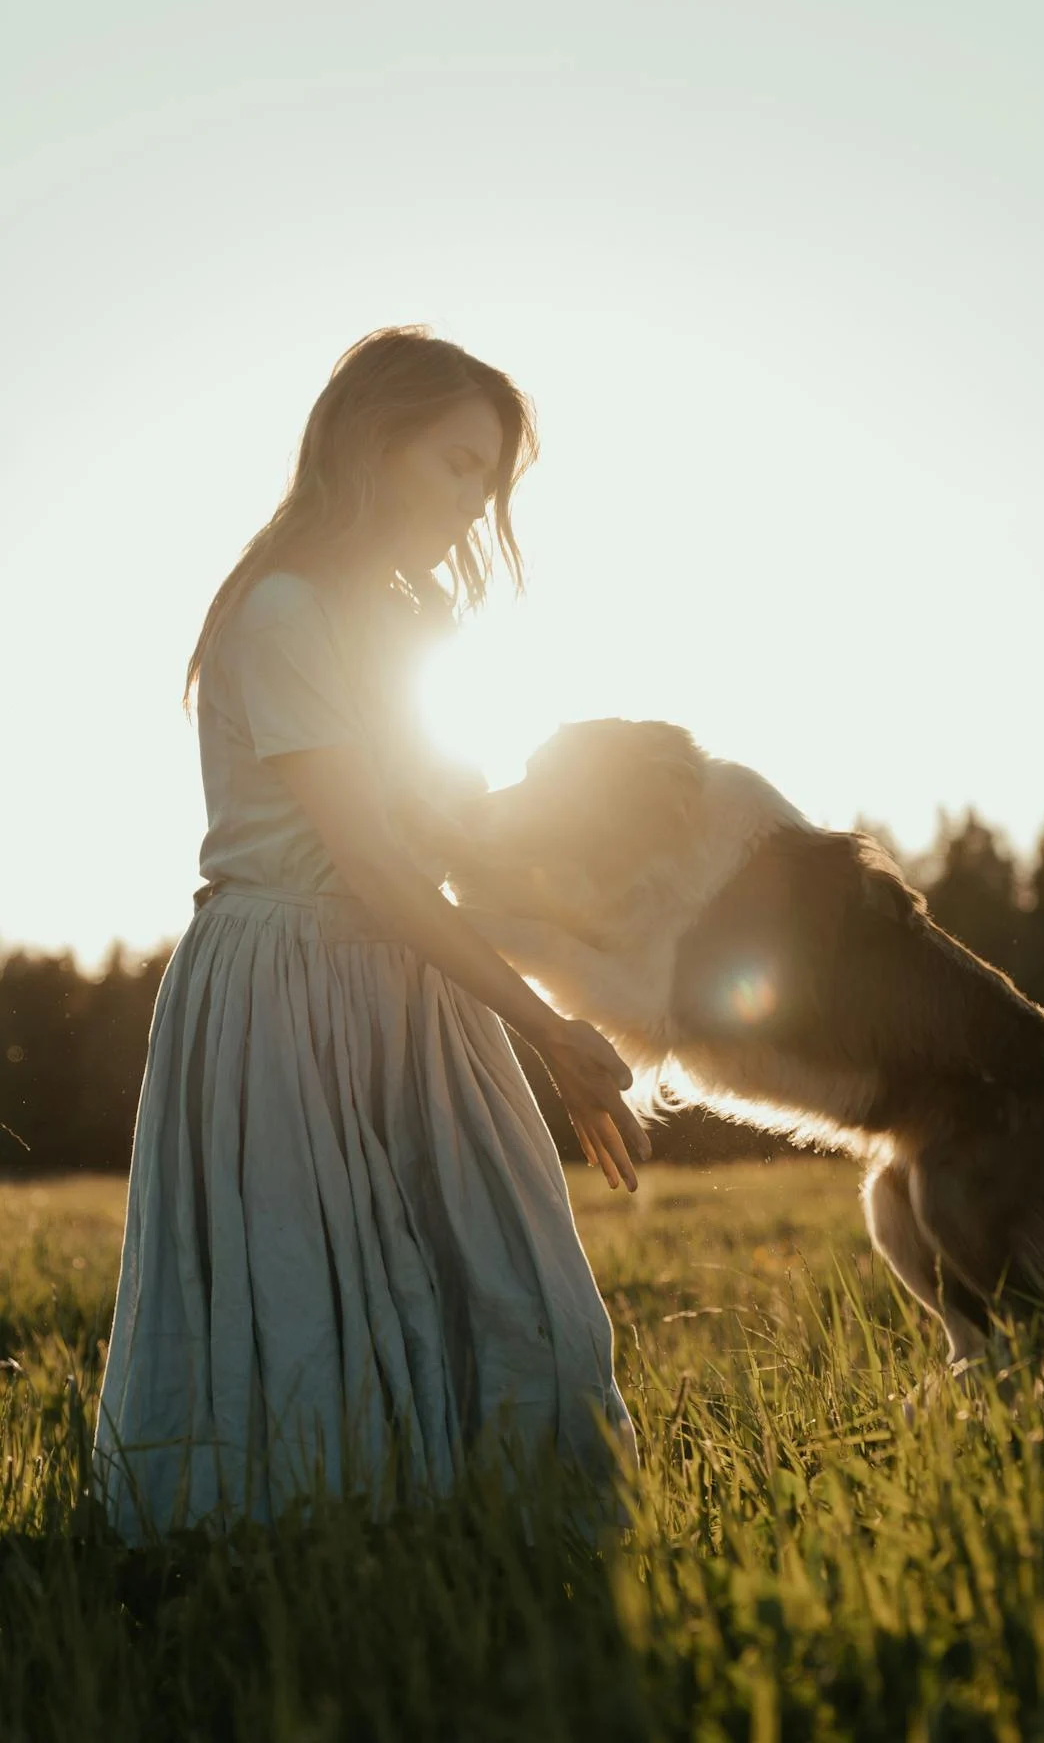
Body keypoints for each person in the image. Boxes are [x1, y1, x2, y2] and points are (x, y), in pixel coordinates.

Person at [92, 326, 651, 1542]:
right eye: (457, 467)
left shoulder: (402, 626)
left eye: (489, 482)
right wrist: (547, 1026)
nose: (473, 505)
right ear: (373, 445)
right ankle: (299, 1578)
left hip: (413, 986)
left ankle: (496, 1546)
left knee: (518, 1287)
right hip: (288, 989)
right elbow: (378, 867)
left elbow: (440, 849)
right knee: (312, 1315)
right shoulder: (284, 613)